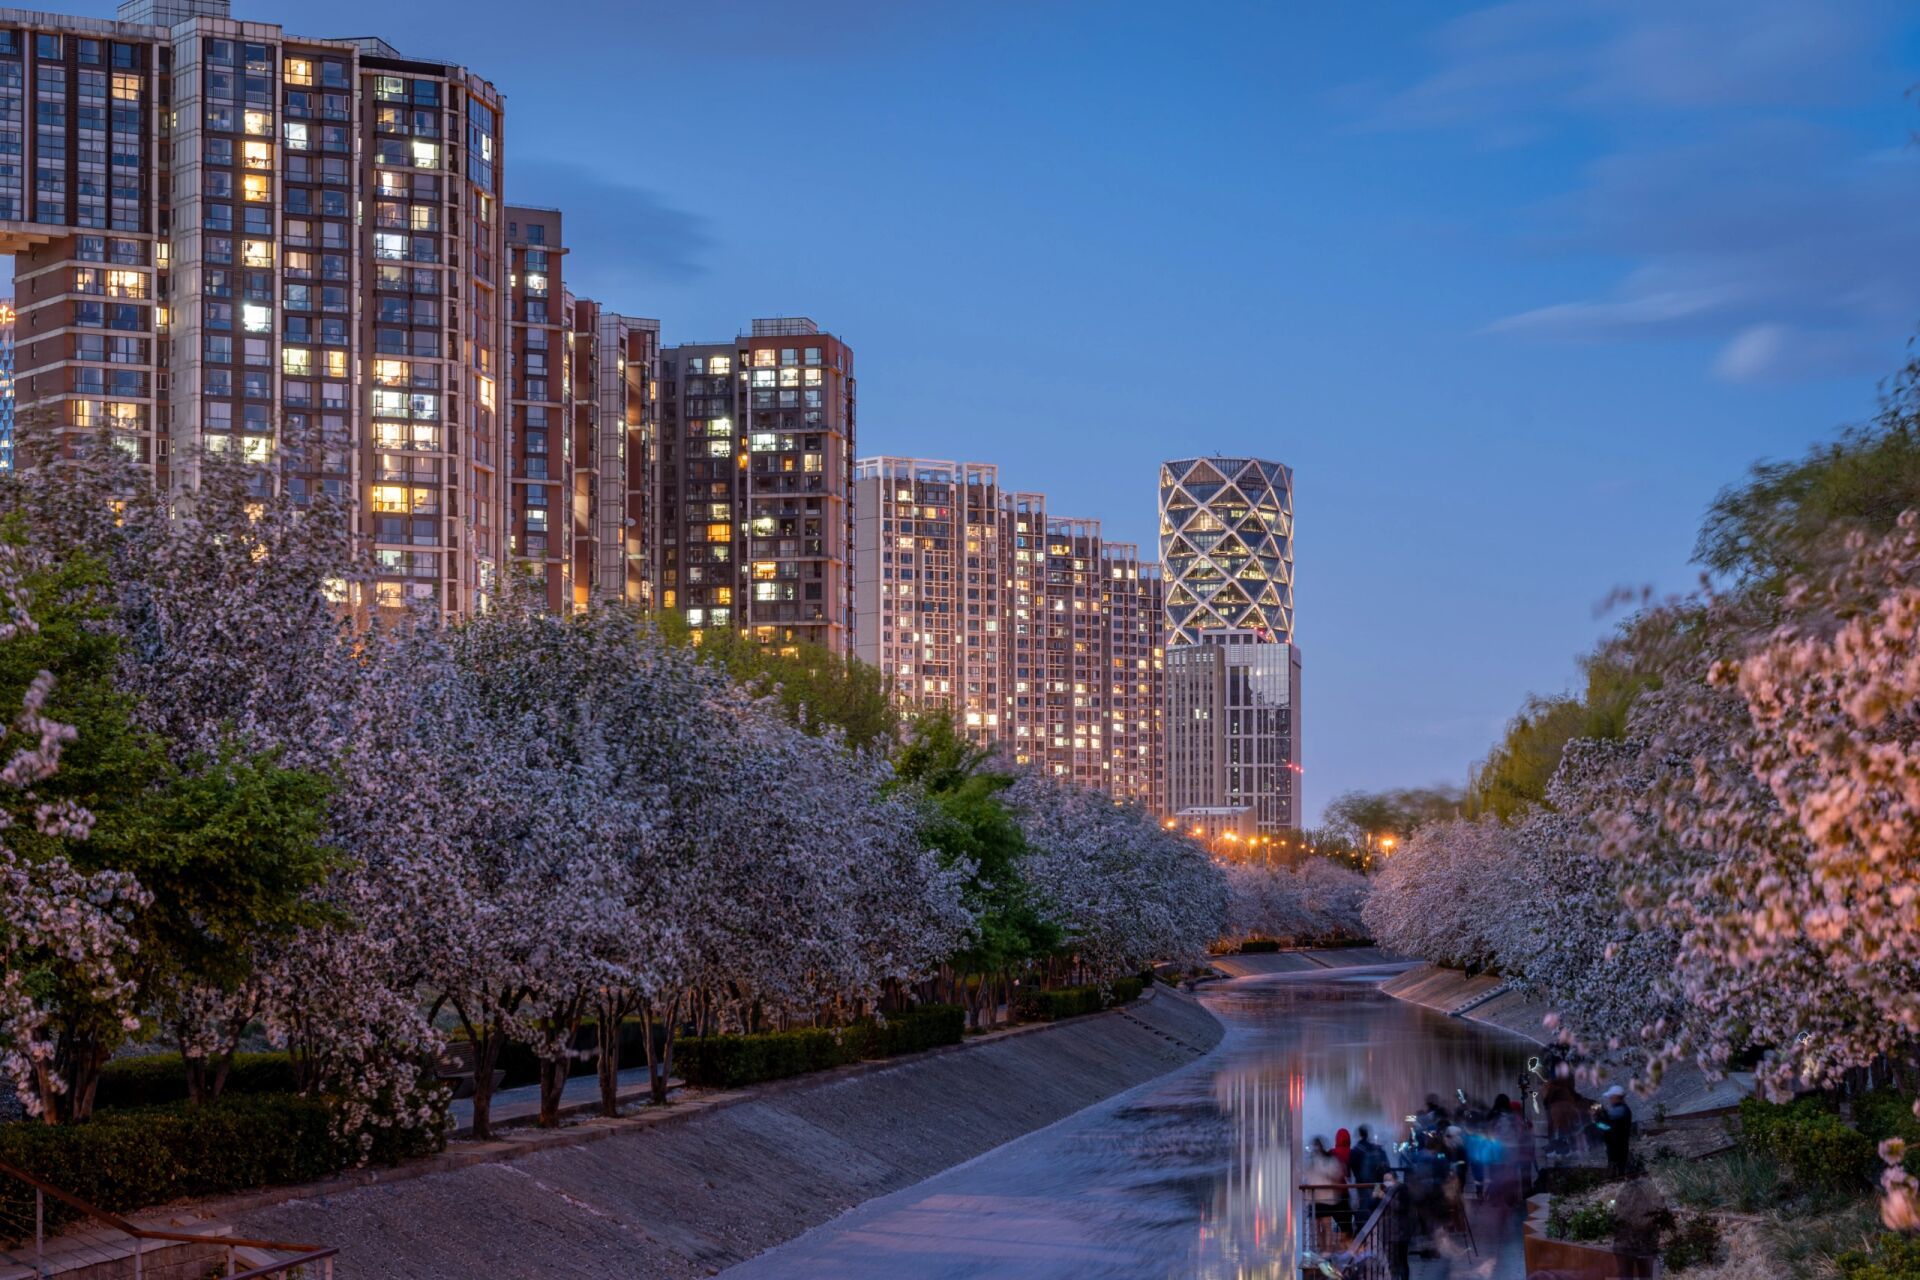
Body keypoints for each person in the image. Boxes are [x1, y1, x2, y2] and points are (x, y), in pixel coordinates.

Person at [1304, 1135, 1347, 1248]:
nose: (1315, 1149)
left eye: (1316, 1146)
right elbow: (1305, 1176)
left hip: (1324, 1197)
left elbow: (1336, 1174)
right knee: (1318, 1226)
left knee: (1326, 1225)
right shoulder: (1311, 1161)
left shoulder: (1328, 1160)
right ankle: (1322, 1249)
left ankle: (1326, 1250)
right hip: (1316, 1198)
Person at [1349, 1124, 1391, 1222]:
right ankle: (1376, 1225)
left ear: (1359, 1135)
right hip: (1376, 1183)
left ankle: (1364, 1227)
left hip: (1362, 1183)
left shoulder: (1356, 1150)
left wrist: (1358, 1176)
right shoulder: (1374, 1149)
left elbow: (1352, 1165)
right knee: (1376, 1203)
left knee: (1364, 1205)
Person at [1378, 1168, 1414, 1280]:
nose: (1386, 1182)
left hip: (1400, 1232)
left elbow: (1400, 1207)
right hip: (1388, 1232)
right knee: (1391, 1263)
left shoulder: (1402, 1190)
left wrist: (1385, 1197)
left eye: (1389, 1179)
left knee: (1401, 1261)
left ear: (1395, 1180)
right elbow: (1371, 1206)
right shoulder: (1384, 1190)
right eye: (1384, 1180)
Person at [1597, 1085, 1635, 1177]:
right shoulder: (1620, 1109)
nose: (1609, 1099)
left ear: (1615, 1097)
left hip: (1617, 1147)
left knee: (1617, 1171)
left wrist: (1598, 1119)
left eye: (1611, 1097)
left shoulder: (1620, 1110)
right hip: (1616, 1146)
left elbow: (1608, 1126)